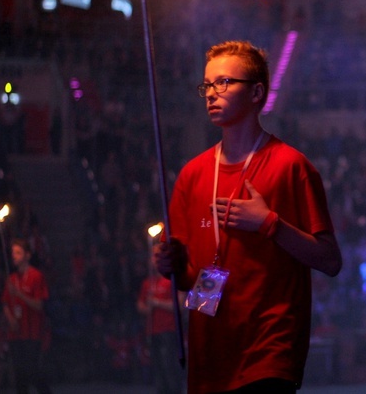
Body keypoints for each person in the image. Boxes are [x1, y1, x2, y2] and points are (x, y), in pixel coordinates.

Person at [154, 40, 342, 394]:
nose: (212, 93)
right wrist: (171, 265)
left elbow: (330, 260)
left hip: (268, 352)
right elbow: (191, 281)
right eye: (207, 85)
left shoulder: (291, 166)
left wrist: (269, 223)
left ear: (257, 93)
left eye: (224, 83)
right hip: (210, 353)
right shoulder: (192, 175)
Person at [1, 238, 52, 394]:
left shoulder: (37, 276)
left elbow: (39, 304)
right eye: (13, 253)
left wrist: (19, 294)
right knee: (19, 376)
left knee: (32, 371)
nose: (14, 256)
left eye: (18, 252)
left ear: (27, 255)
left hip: (32, 332)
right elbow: (4, 303)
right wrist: (10, 319)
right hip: (15, 333)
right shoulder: (11, 279)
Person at [137, 271, 185, 394]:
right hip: (152, 330)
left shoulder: (173, 281)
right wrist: (146, 308)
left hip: (168, 329)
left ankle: (174, 391)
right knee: (158, 366)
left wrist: (157, 303)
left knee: (169, 364)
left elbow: (178, 305)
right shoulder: (148, 283)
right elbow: (140, 304)